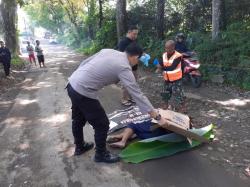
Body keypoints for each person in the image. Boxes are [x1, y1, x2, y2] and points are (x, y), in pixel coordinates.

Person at [67, 43, 168, 163]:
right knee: (102, 124)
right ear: (135, 57)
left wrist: (79, 77)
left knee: (78, 119)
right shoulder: (124, 67)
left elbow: (85, 62)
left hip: (72, 83)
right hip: (84, 91)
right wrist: (156, 115)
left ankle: (79, 147)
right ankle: (100, 154)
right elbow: (137, 94)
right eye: (138, 60)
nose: (137, 63)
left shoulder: (109, 51)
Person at [107, 109, 172, 148]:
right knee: (134, 130)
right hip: (146, 135)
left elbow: (152, 128)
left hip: (152, 134)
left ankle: (122, 141)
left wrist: (159, 123)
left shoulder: (164, 122)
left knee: (133, 125)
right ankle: (120, 136)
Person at [158, 40, 186, 112]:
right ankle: (166, 105)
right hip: (167, 78)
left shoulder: (178, 56)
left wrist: (161, 68)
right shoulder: (164, 55)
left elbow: (172, 67)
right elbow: (160, 63)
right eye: (166, 48)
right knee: (165, 92)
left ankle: (182, 107)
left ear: (173, 47)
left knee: (178, 94)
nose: (166, 50)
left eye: (168, 48)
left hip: (177, 79)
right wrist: (159, 65)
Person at [117, 25, 139, 106]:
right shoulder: (123, 42)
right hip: (126, 67)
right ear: (129, 32)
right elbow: (122, 56)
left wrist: (142, 55)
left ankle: (130, 97)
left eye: (137, 34)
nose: (135, 36)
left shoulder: (133, 41)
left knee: (134, 83)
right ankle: (124, 99)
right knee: (126, 84)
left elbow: (136, 51)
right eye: (134, 34)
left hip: (134, 67)